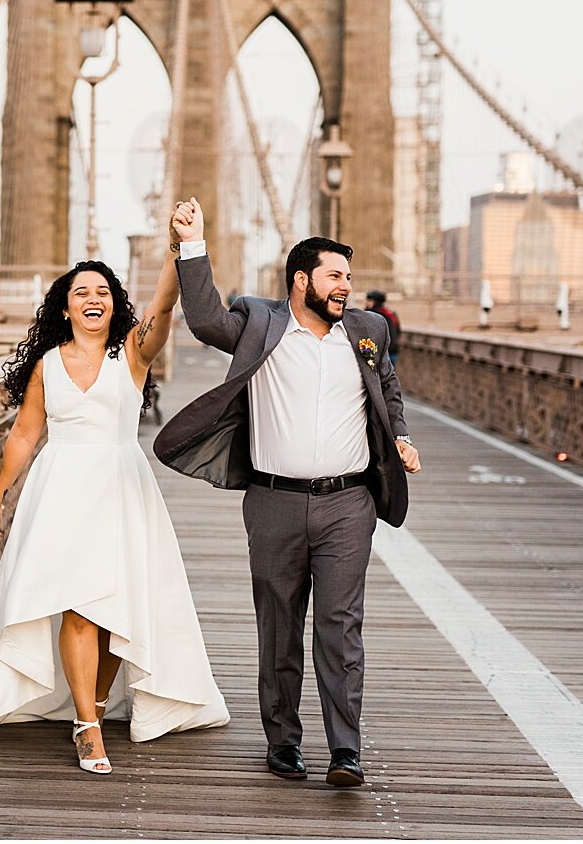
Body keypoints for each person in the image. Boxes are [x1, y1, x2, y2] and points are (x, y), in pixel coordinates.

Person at [0, 206, 229, 775]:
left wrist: (182, 247)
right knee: (77, 608)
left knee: (113, 610)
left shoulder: (134, 353)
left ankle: (95, 703)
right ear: (65, 306)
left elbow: (163, 306)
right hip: (61, 491)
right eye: (81, 292)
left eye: (102, 290)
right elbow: (26, 434)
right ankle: (86, 723)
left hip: (122, 488)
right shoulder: (48, 364)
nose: (92, 298)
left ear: (111, 302)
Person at [154, 197, 420, 788]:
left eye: (349, 277)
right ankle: (283, 743)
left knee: (340, 624)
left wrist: (399, 435)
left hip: (349, 503)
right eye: (335, 276)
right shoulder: (261, 324)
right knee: (279, 626)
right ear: (302, 281)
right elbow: (204, 321)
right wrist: (193, 242)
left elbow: (390, 389)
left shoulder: (368, 331)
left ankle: (345, 751)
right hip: (274, 502)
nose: (345, 286)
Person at [364, 290, 401, 368]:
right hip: (392, 351)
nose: (367, 303)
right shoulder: (391, 313)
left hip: (379, 353)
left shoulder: (372, 314)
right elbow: (398, 331)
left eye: (369, 300)